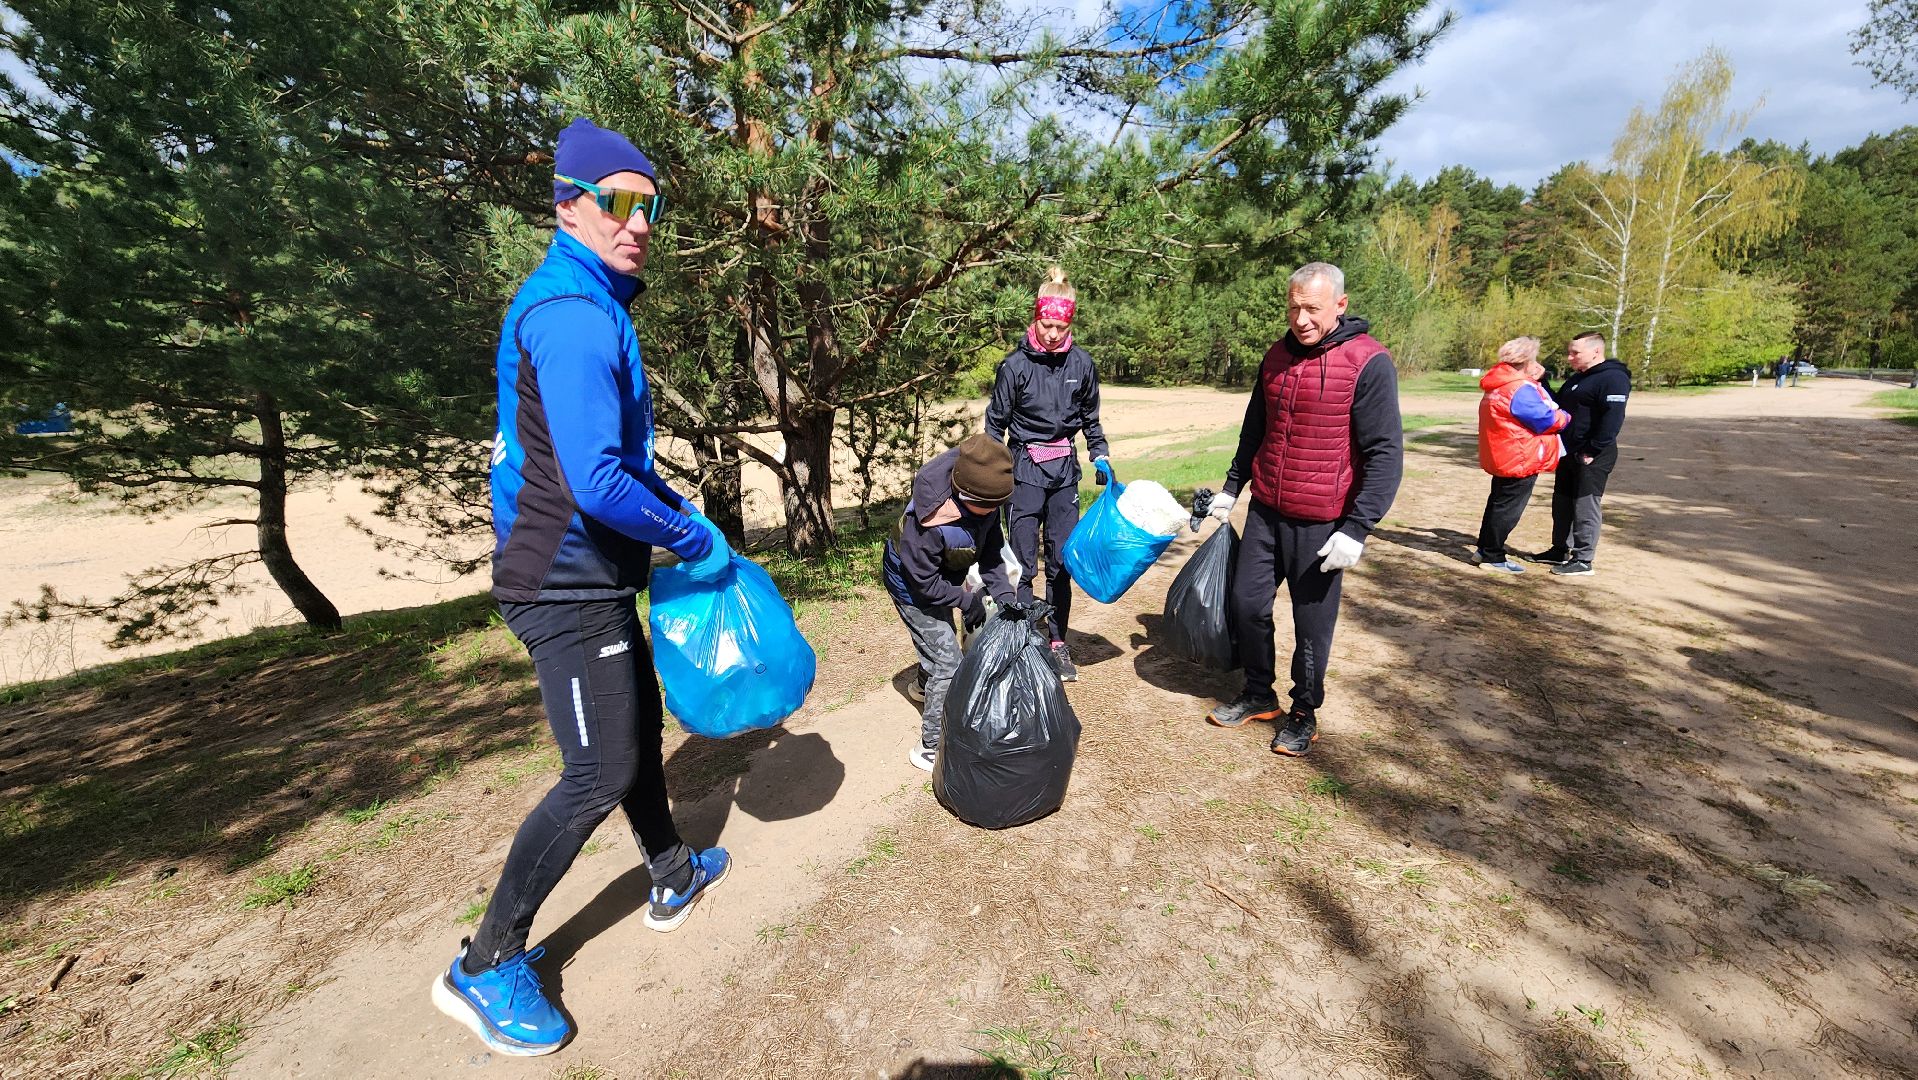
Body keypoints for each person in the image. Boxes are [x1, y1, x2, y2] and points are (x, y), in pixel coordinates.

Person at [434, 118, 731, 1058]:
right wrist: (688, 534)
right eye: (621, 202)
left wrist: (674, 505)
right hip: (558, 582)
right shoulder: (570, 314)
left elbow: (610, 463)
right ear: (570, 202)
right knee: (596, 770)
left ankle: (672, 868)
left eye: (653, 206)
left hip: (591, 575)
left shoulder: (594, 302)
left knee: (633, 731)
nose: (641, 222)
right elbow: (596, 479)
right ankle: (485, 963)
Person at [1202, 262, 1403, 756]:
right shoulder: (1275, 356)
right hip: (1267, 510)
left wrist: (1357, 528)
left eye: (1312, 308)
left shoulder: (1368, 362)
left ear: (1340, 304)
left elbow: (1385, 452)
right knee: (1246, 605)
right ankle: (1257, 693)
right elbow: (1255, 429)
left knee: (1312, 627)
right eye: (1293, 307)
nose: (1301, 318)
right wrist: (1233, 486)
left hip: (1323, 522)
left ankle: (1303, 711)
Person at [986, 266, 1111, 682]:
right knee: (1022, 563)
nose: (1053, 333)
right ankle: (1021, 638)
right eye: (1047, 323)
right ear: (1036, 316)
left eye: (1060, 325)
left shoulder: (1082, 364)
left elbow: (1091, 420)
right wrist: (991, 473)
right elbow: (994, 424)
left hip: (1063, 477)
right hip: (1023, 471)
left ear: (1069, 322)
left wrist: (1100, 454)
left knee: (1060, 562)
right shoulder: (1015, 366)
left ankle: (1057, 642)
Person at [883, 434, 1022, 771]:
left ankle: (922, 685)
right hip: (910, 586)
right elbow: (924, 583)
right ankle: (931, 747)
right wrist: (964, 599)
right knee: (947, 662)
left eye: (997, 506)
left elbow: (991, 554)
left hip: (942, 578)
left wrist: (1005, 598)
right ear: (963, 494)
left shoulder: (987, 499)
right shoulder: (929, 522)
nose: (992, 512)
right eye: (986, 506)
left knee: (939, 644)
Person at [1528, 331, 1630, 577]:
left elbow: (1613, 419)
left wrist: (1593, 449)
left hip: (1593, 454)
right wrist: (1542, 381)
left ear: (1596, 351)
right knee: (1561, 502)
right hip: (1568, 450)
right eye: (1570, 352)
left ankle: (1584, 559)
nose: (1569, 357)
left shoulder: (1613, 378)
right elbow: (1558, 407)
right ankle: (1559, 548)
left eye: (1575, 352)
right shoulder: (1578, 378)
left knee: (1585, 505)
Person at [1473, 337, 1570, 573]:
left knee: (1498, 502)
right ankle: (1493, 555)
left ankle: (1485, 549)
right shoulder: (1519, 389)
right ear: (1526, 361)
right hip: (1520, 456)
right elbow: (1544, 419)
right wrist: (1565, 417)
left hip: (1503, 452)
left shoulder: (1499, 383)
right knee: (1508, 508)